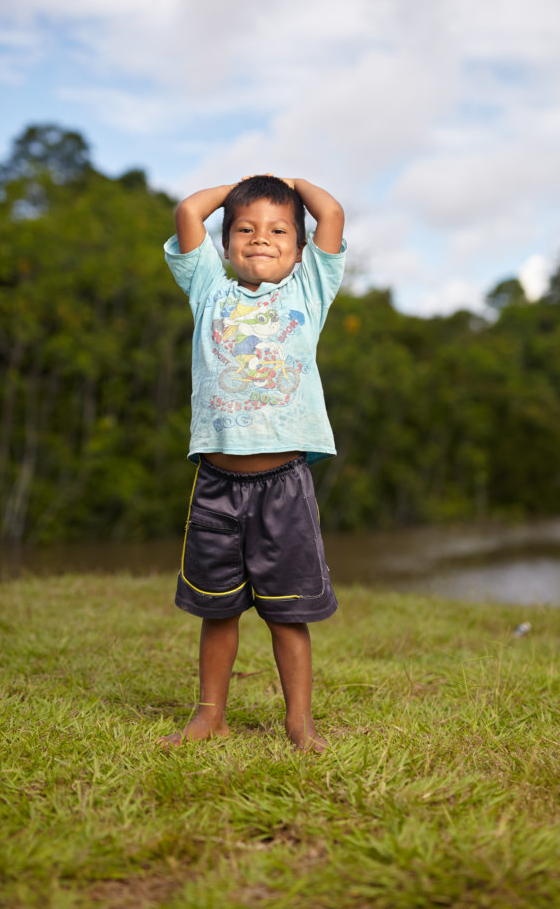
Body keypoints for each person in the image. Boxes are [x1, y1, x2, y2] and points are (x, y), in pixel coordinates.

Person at [161, 174, 345, 750]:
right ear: (225, 243)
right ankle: (208, 716)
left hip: (284, 485)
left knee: (289, 615)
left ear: (298, 248)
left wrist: (290, 182)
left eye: (278, 230)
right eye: (245, 228)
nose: (260, 238)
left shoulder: (307, 293)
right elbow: (190, 209)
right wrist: (239, 186)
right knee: (217, 610)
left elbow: (332, 212)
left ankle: (300, 723)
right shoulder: (208, 288)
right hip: (216, 483)